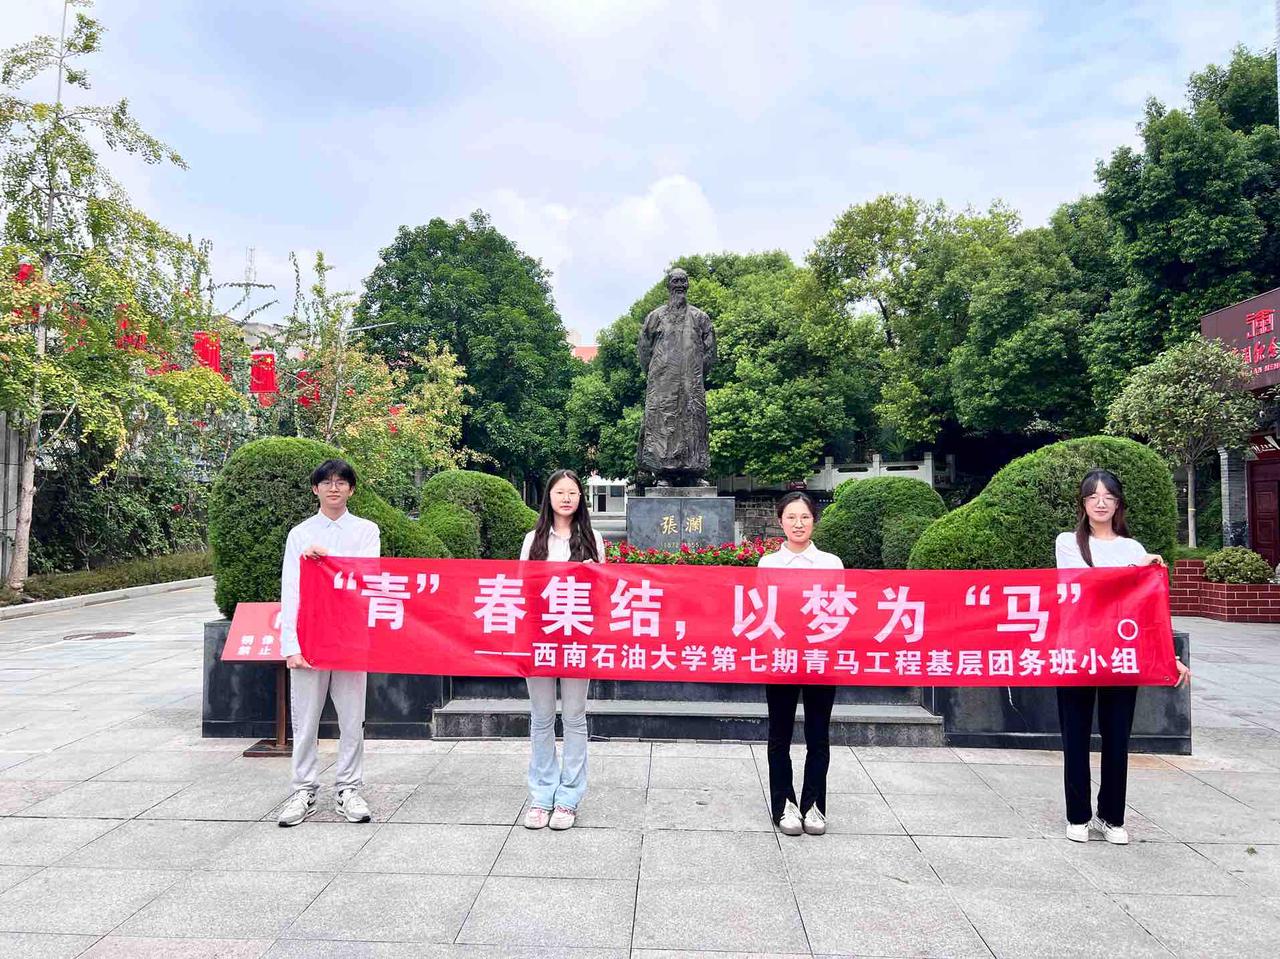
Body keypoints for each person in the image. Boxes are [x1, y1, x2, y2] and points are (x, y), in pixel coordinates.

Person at [1054, 468, 1189, 845]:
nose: (1100, 503)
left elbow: (1148, 611)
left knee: (1117, 738)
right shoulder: (1068, 543)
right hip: (1078, 651)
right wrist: (1135, 571)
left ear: (1118, 503)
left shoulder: (1133, 549)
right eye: (1093, 496)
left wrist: (1168, 656)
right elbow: (1087, 586)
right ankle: (1078, 816)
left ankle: (1111, 817)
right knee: (1075, 737)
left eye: (1108, 496)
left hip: (1121, 654)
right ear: (1083, 503)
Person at [276, 458, 381, 827]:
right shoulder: (300, 534)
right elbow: (291, 590)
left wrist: (326, 561)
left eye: (341, 482)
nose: (333, 488)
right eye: (326, 482)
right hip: (310, 638)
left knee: (352, 719)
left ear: (351, 489)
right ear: (315, 489)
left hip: (351, 637)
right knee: (305, 720)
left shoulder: (367, 530)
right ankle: (303, 789)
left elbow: (367, 577)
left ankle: (348, 788)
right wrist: (291, 645)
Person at [520, 468, 607, 831]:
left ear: (581, 498)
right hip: (539, 638)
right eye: (560, 492)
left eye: (573, 492)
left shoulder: (593, 539)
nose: (567, 498)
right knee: (541, 717)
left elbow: (603, 594)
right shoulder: (533, 540)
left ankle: (568, 797)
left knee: (573, 717)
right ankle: (542, 795)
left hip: (577, 639)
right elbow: (521, 589)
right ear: (549, 498)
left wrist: (592, 575)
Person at [757, 491, 844, 836]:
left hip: (820, 659)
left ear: (814, 521)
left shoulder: (831, 563)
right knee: (779, 735)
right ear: (780, 521)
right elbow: (762, 612)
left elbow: (840, 612)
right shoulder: (768, 564)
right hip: (780, 659)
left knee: (818, 736)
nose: (798, 524)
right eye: (791, 517)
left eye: (804, 517)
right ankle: (784, 805)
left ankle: (814, 806)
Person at [636, 267, 717, 487]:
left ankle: (694, 474)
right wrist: (656, 374)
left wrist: (695, 374)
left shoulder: (700, 318)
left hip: (692, 383)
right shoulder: (655, 317)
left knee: (693, 424)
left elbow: (710, 353)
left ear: (688, 285)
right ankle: (663, 474)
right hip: (662, 385)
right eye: (675, 281)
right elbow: (644, 350)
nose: (679, 285)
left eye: (683, 281)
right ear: (668, 285)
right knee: (662, 425)